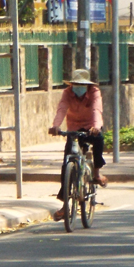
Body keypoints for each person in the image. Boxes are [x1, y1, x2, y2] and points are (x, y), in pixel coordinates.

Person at [48, 68, 106, 221]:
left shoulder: (94, 92)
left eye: (81, 84)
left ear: (87, 85)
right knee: (67, 161)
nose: (78, 87)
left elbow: (96, 110)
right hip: (73, 128)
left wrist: (96, 127)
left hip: (91, 127)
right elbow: (62, 108)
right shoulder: (67, 93)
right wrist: (56, 126)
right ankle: (64, 205)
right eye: (75, 84)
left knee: (99, 141)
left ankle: (96, 173)